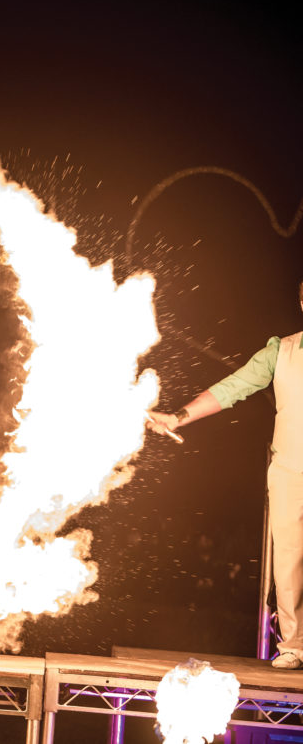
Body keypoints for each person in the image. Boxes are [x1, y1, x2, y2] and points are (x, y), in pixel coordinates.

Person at [148, 281, 303, 669]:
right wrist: (178, 416)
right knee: (288, 559)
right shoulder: (281, 351)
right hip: (291, 471)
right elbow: (232, 387)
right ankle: (295, 646)